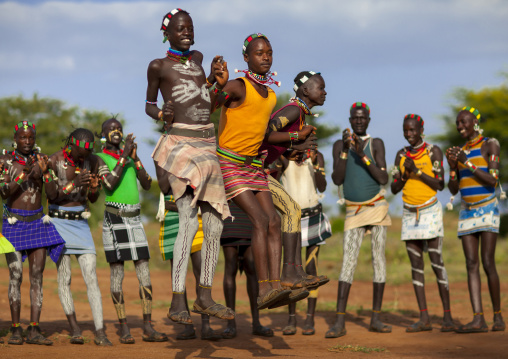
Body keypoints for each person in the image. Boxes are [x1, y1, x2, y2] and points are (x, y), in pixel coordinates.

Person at [146, 8, 233, 325]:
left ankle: (205, 295)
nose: (187, 32)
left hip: (207, 145)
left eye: (190, 27)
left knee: (214, 223)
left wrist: (214, 81)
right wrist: (160, 114)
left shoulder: (198, 59)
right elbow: (149, 104)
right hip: (181, 144)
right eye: (181, 28)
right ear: (167, 33)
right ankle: (176, 300)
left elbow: (205, 101)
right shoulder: (158, 66)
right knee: (188, 220)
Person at [215, 33, 296, 309]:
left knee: (274, 220)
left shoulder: (271, 95)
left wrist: (292, 140)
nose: (265, 57)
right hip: (229, 162)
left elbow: (262, 136)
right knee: (259, 220)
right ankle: (263, 290)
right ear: (246, 58)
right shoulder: (238, 87)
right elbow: (213, 104)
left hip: (254, 165)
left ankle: (275, 286)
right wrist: (218, 86)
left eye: (269, 52)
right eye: (259, 53)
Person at [96, 118, 167, 344]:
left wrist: (135, 160)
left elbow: (147, 184)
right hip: (114, 218)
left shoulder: (129, 159)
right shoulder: (99, 158)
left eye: (119, 128)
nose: (116, 131)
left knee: (144, 272)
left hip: (135, 219)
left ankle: (147, 326)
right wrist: (125, 156)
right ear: (103, 135)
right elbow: (108, 185)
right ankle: (124, 327)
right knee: (117, 273)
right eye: (111, 129)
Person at [259, 71, 329, 298]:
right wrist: (296, 137)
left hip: (261, 169)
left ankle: (295, 273)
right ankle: (289, 273)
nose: (325, 92)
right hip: (254, 169)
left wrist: (291, 151)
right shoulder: (294, 110)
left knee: (293, 211)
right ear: (306, 90)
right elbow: (265, 133)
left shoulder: (299, 113)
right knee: (291, 210)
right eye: (321, 88)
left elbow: (277, 139)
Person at [327, 102, 392, 338]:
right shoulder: (339, 145)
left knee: (379, 261)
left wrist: (362, 154)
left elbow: (383, 177)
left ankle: (375, 318)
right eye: (355, 118)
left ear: (368, 120)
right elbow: (337, 179)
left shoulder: (376, 144)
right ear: (350, 120)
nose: (358, 121)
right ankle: (339, 322)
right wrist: (345, 150)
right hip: (353, 210)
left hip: (376, 207)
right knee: (348, 263)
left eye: (362, 118)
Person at [0, 121, 65, 346]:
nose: (27, 142)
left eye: (31, 138)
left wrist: (45, 173)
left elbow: (53, 195)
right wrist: (25, 174)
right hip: (13, 224)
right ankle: (16, 329)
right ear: (15, 138)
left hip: (38, 222)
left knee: (37, 276)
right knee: (15, 276)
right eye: (23, 137)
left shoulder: (42, 159)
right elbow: (4, 192)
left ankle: (35, 329)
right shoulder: (4, 161)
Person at [46, 128, 112, 346]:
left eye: (88, 151)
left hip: (81, 224)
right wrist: (75, 183)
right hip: (58, 223)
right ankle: (75, 328)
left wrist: (93, 188)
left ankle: (100, 331)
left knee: (91, 276)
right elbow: (52, 195)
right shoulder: (54, 160)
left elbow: (92, 198)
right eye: (80, 152)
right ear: (70, 145)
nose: (84, 156)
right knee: (64, 278)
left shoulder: (92, 161)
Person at [391, 114, 454, 332]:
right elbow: (394, 188)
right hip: (409, 213)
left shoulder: (433, 151)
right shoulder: (400, 154)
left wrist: (416, 171)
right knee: (416, 267)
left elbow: (439, 184)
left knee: (437, 263)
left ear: (421, 130)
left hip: (430, 211)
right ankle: (424, 318)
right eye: (405, 130)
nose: (409, 134)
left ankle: (447, 317)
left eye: (412, 130)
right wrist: (405, 173)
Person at [445, 106, 505, 333]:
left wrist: (466, 162)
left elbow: (492, 180)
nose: (460, 126)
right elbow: (453, 188)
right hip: (466, 211)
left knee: (488, 263)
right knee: (471, 264)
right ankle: (478, 319)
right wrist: (453, 168)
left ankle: (498, 316)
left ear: (475, 122)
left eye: (464, 122)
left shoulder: (490, 144)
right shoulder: (459, 151)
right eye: (458, 123)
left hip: (487, 209)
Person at [156, 174, 222, 341]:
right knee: (178, 272)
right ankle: (186, 324)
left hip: (195, 214)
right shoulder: (165, 154)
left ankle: (206, 325)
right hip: (172, 218)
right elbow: (164, 186)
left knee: (200, 269)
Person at [279, 149, 332, 336]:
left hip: (313, 218)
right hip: (292, 221)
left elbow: (322, 186)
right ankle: (292, 318)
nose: (308, 144)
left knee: (311, 269)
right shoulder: (284, 158)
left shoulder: (316, 157)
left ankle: (309, 318)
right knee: (291, 270)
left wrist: (316, 164)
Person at [220, 201, 274, 338]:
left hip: (249, 214)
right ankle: (230, 323)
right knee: (230, 267)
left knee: (251, 268)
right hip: (229, 212)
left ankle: (256, 323)